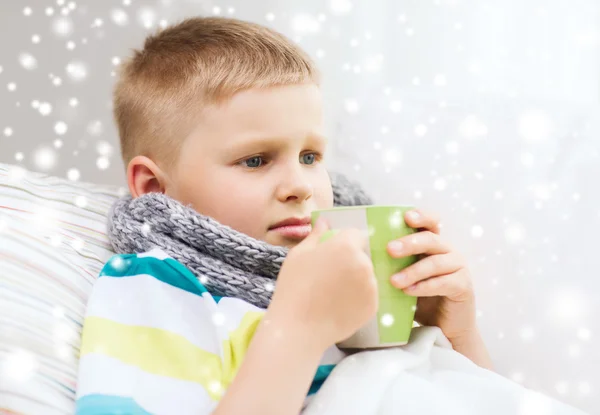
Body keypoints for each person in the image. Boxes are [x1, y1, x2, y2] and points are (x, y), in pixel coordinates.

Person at [75, 16, 493, 415]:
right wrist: (300, 327)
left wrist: (457, 335)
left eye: (310, 156)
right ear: (153, 186)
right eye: (256, 160)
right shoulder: (155, 286)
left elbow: (478, 399)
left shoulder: (358, 267)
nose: (301, 185)